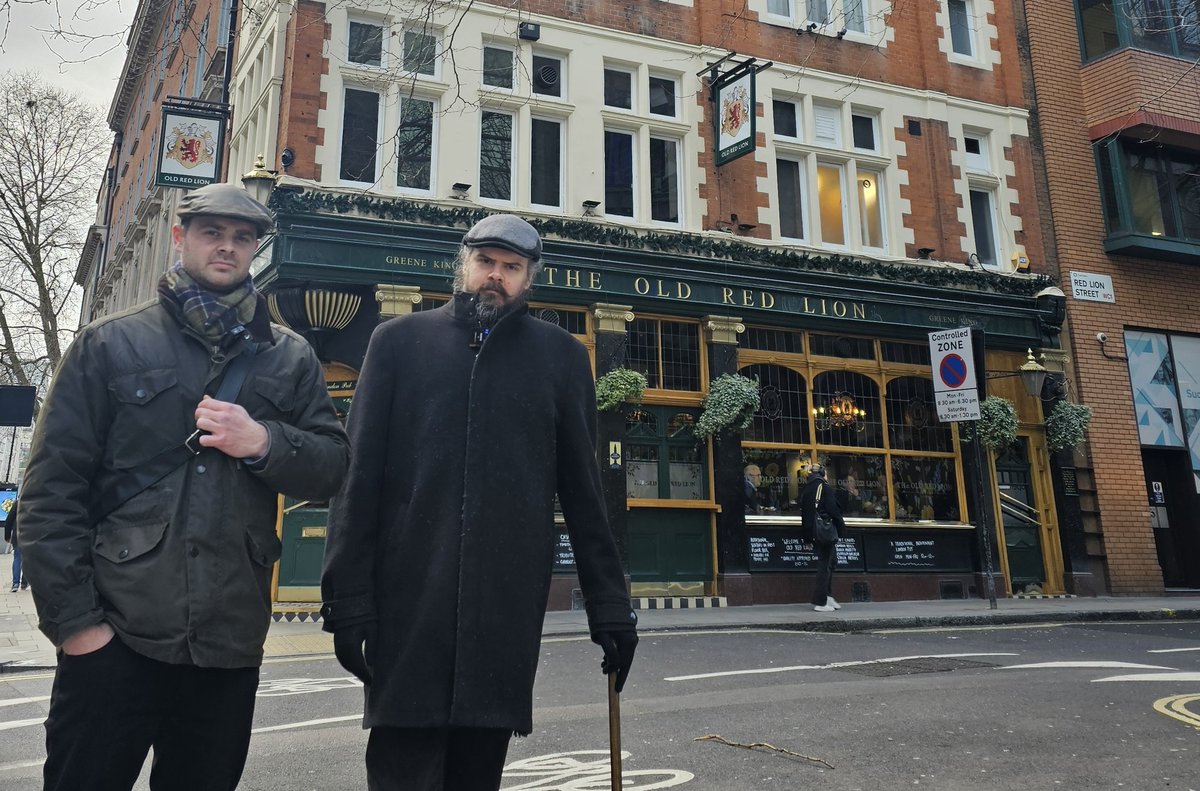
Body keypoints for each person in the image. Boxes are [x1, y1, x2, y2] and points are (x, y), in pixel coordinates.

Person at [17, 182, 350, 791]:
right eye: (211, 233)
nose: (227, 247)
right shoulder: (109, 342)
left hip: (226, 642)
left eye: (242, 237)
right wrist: (77, 627)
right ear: (181, 237)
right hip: (116, 634)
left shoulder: (291, 358)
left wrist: (265, 442)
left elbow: (332, 469)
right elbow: (50, 494)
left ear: (256, 248)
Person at [321, 213, 639, 791]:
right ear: (462, 264)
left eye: (511, 267)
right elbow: (357, 480)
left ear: (529, 278)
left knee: (477, 773)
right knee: (401, 771)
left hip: (503, 606)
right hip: (407, 602)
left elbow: (586, 495)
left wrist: (610, 606)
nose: (496, 276)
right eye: (486, 262)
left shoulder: (561, 357)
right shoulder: (396, 343)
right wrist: (347, 601)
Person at [800, 463, 846, 613]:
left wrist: (807, 538)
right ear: (823, 474)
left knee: (831, 562)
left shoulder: (807, 489)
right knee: (825, 566)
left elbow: (805, 516)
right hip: (825, 532)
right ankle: (820, 602)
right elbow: (834, 511)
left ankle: (828, 595)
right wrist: (842, 530)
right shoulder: (824, 488)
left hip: (815, 532)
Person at [3, 499, 24, 591]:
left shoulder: (18, 503)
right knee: (29, 560)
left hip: (18, 535)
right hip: (31, 536)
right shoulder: (37, 502)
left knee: (17, 558)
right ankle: (24, 582)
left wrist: (7, 536)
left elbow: (8, 521)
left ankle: (15, 583)